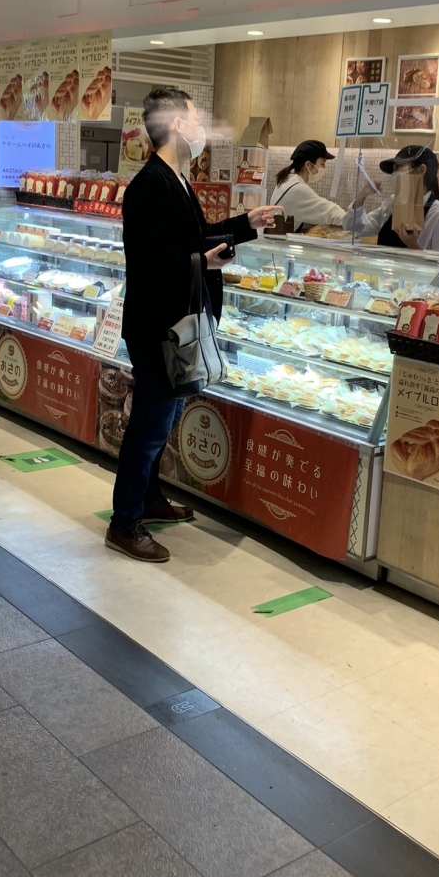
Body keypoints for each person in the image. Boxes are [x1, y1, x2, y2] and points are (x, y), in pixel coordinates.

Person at [108, 87, 281, 562]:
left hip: (174, 324)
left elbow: (195, 238)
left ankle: (149, 500)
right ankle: (124, 523)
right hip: (157, 328)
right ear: (177, 125)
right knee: (149, 426)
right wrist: (200, 262)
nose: (201, 127)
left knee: (159, 423)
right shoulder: (150, 184)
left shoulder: (176, 179)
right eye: (194, 118)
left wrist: (246, 223)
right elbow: (149, 261)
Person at [344, 145, 439, 252]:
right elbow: (354, 228)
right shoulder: (391, 204)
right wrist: (362, 196)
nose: (395, 174)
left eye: (398, 167)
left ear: (421, 170)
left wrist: (413, 245)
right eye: (393, 170)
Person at [269, 140, 346, 231]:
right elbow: (330, 212)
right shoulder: (299, 189)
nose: (324, 168)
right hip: (280, 239)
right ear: (308, 165)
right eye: (322, 164)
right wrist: (351, 220)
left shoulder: (286, 181)